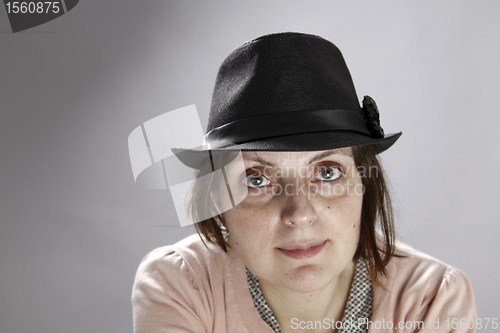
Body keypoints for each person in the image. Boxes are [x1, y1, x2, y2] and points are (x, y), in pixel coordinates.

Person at [131, 32, 476, 333]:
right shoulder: (180, 285)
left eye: (327, 172)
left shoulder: (432, 301)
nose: (299, 214)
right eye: (255, 179)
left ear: (364, 186)